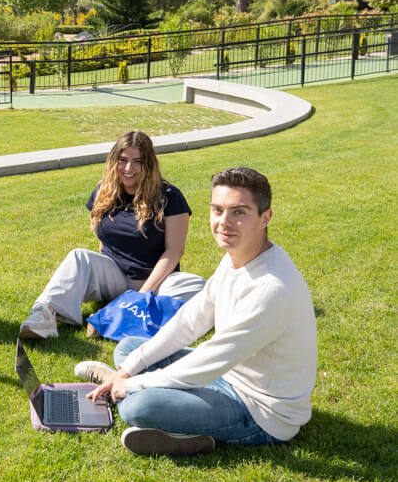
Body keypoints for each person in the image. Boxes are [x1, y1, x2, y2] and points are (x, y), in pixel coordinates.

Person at [81, 167, 317, 456]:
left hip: (260, 409)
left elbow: (211, 359)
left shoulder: (271, 288)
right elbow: (190, 320)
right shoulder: (235, 258)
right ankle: (126, 383)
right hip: (227, 373)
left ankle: (178, 427)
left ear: (265, 218)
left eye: (239, 212)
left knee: (137, 406)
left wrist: (133, 386)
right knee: (130, 350)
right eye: (218, 210)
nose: (224, 222)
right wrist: (130, 371)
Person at [19, 130, 204, 339]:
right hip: (115, 277)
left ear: (149, 164)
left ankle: (112, 318)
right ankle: (43, 317)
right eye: (122, 160)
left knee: (196, 286)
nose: (128, 168)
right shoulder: (103, 191)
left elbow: (174, 252)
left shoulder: (170, 196)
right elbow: (103, 240)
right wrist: (100, 275)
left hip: (156, 282)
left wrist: (142, 295)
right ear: (114, 161)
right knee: (79, 257)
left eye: (137, 162)